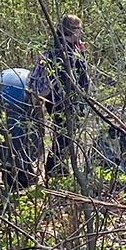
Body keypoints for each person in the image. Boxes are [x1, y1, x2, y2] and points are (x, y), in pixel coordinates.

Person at [29, 14, 89, 169]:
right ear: (70, 30)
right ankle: (54, 168)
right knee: (64, 136)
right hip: (61, 101)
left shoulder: (69, 47)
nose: (81, 32)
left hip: (60, 100)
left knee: (65, 135)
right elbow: (66, 79)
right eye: (79, 28)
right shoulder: (62, 51)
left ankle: (58, 167)